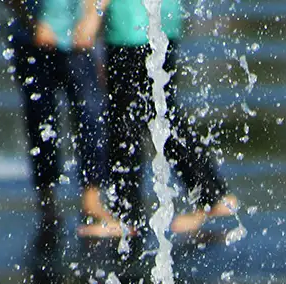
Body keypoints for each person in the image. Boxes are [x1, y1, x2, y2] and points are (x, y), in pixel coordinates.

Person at [92, 0, 238, 235]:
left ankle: (127, 217)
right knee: (162, 114)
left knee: (126, 121)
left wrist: (91, 14)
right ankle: (212, 194)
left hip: (131, 25)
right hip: (161, 19)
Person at [4, 0, 119, 233]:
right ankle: (47, 200)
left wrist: (92, 18)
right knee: (41, 121)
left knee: (92, 116)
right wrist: (32, 23)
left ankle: (91, 200)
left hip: (78, 40)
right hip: (32, 40)